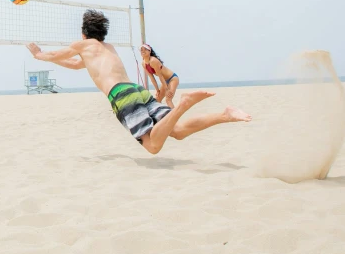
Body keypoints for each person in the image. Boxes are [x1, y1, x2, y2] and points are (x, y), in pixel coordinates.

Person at [26, 9, 251, 155]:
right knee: (179, 131)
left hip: (121, 96)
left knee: (152, 146)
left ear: (84, 34)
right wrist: (54, 59)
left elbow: (58, 56)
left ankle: (184, 104)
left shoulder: (83, 45)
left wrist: (39, 55)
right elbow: (75, 64)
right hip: (136, 90)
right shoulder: (106, 48)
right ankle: (225, 115)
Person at [140, 44, 180, 108]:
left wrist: (166, 89)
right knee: (157, 100)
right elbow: (152, 78)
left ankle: (175, 117)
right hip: (165, 81)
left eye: (145, 49)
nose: (143, 51)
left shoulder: (153, 61)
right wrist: (157, 90)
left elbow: (160, 76)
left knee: (168, 99)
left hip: (172, 78)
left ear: (149, 51)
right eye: (141, 50)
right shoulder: (143, 63)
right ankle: (161, 117)